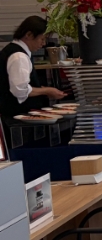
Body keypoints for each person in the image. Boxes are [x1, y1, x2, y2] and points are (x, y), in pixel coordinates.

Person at [1, 16, 66, 147]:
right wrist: (46, 90)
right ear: (29, 35)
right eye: (42, 39)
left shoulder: (17, 52)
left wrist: (41, 89)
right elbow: (20, 90)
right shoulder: (19, 56)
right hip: (15, 120)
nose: (43, 44)